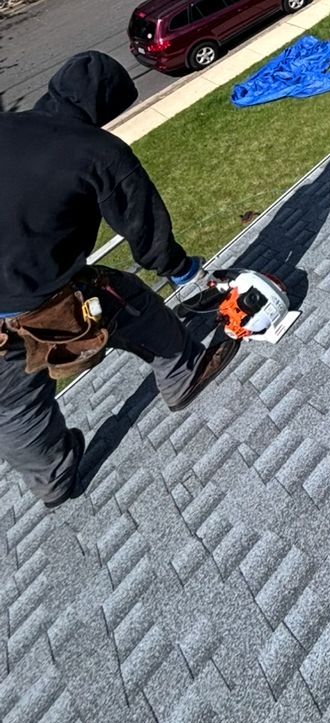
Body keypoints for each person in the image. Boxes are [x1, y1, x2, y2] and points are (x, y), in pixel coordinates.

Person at [0, 51, 239, 509]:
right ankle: (182, 372)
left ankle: (53, 480)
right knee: (127, 299)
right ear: (105, 105)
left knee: (14, 405)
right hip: (41, 304)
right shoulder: (97, 151)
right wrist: (183, 269)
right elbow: (145, 232)